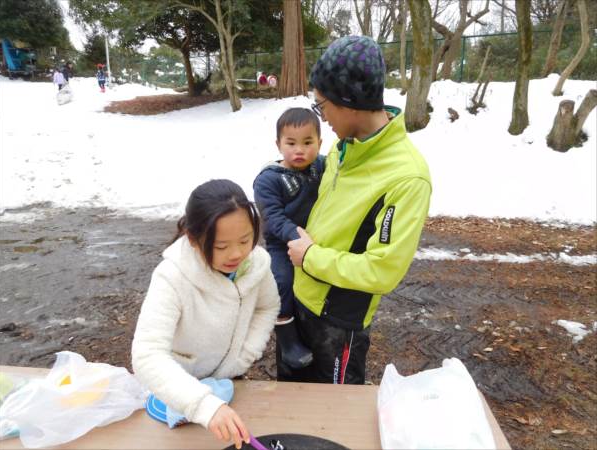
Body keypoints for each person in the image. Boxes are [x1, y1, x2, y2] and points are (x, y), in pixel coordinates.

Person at [286, 35, 432, 384]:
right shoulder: (343, 147)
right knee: (294, 405)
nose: (320, 117)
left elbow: (382, 271)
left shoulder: (406, 176)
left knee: (335, 421)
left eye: (322, 105)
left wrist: (309, 258)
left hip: (338, 322)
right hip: (300, 300)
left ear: (348, 101)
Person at [132, 179, 280, 449]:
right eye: (221, 246)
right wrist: (203, 405)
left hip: (228, 381)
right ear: (193, 238)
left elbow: (267, 306)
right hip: (177, 389)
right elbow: (147, 355)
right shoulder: (173, 277)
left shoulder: (256, 264)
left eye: (246, 240)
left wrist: (245, 354)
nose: (237, 254)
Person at [253, 108, 324, 378]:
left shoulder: (323, 167)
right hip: (282, 243)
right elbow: (272, 218)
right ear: (278, 144)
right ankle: (287, 338)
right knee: (280, 282)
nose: (300, 150)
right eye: (291, 143)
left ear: (319, 142)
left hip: (314, 241)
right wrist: (297, 237)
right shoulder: (269, 179)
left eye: (308, 142)